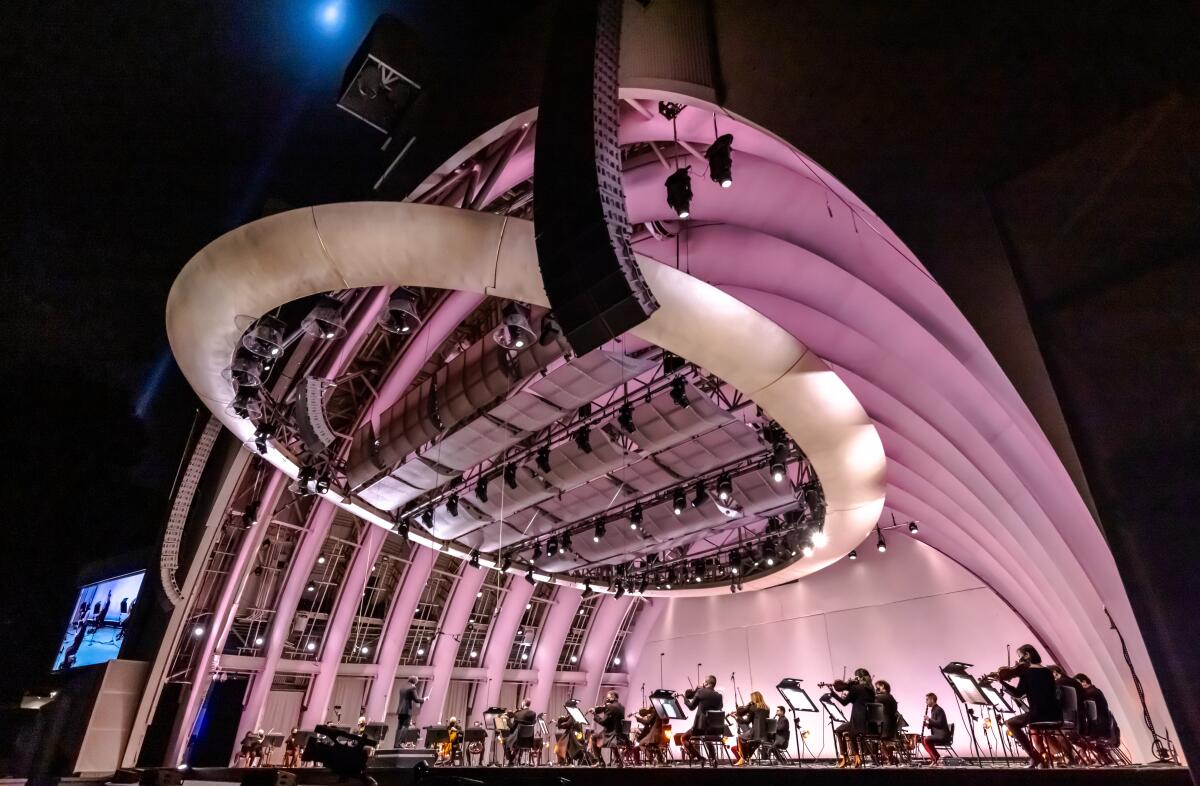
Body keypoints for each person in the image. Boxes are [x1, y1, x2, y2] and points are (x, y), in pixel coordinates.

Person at [997, 644, 1061, 768]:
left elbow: (1018, 693)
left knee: (1010, 723)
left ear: (1027, 655)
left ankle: (1037, 758)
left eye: (1020, 656)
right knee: (1025, 722)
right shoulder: (1048, 671)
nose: (1019, 661)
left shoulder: (1027, 673)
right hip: (1055, 714)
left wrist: (1003, 683)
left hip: (1039, 715)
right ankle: (1037, 759)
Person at [828, 668, 874, 768]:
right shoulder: (871, 690)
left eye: (855, 676)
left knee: (839, 730)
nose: (854, 678)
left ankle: (845, 758)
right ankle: (856, 758)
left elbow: (844, 703)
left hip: (857, 723)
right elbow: (859, 701)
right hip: (869, 724)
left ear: (859, 677)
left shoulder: (856, 688)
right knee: (850, 731)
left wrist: (833, 693)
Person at [681, 675, 724, 766]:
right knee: (707, 738)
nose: (703, 683)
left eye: (704, 682)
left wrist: (684, 698)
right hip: (714, 729)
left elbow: (691, 707)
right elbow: (720, 708)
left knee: (683, 738)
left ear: (706, 683)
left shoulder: (701, 692)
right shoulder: (719, 696)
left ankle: (700, 758)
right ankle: (713, 759)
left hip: (700, 728)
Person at [589, 690, 628, 767]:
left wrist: (594, 714)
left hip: (611, 735)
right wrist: (605, 708)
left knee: (593, 737)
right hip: (620, 735)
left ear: (613, 697)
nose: (607, 699)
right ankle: (619, 760)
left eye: (608, 697)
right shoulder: (622, 707)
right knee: (605, 738)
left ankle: (600, 761)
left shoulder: (610, 706)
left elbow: (603, 722)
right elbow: (612, 718)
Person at [733, 690, 770, 765]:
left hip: (755, 732)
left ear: (754, 698)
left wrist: (737, 717)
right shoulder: (767, 708)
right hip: (765, 734)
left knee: (740, 738)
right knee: (752, 743)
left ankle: (744, 758)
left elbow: (747, 721)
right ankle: (746, 758)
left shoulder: (753, 707)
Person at [873, 680, 900, 764]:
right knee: (880, 741)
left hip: (885, 728)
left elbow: (871, 700)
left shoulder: (884, 697)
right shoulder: (890, 697)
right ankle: (888, 759)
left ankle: (886, 759)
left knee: (873, 737)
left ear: (883, 686)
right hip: (890, 727)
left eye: (878, 687)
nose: (877, 689)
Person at [921, 693, 951, 765]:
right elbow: (935, 724)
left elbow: (940, 723)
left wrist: (929, 719)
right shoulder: (934, 710)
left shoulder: (938, 710)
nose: (926, 701)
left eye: (927, 699)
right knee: (922, 739)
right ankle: (935, 757)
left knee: (926, 739)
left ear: (932, 700)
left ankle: (935, 758)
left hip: (942, 735)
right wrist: (928, 725)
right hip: (938, 734)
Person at [505, 698, 537, 764]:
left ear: (523, 703)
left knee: (506, 742)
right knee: (518, 740)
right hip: (528, 740)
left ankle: (510, 760)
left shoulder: (518, 714)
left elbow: (512, 728)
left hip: (518, 740)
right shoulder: (533, 714)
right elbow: (533, 723)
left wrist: (507, 719)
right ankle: (512, 760)